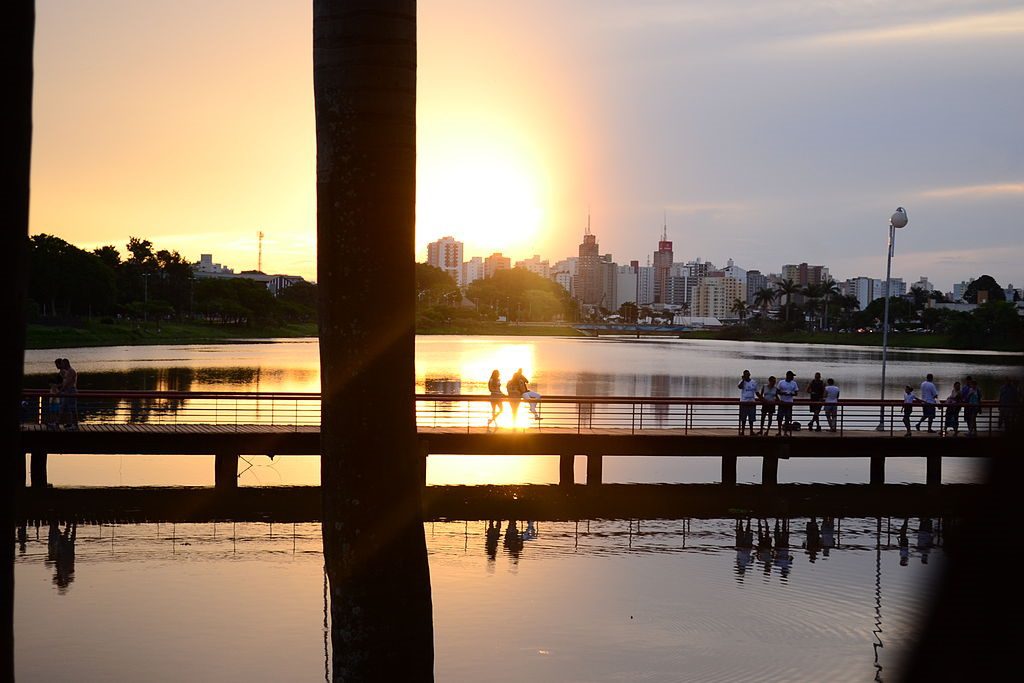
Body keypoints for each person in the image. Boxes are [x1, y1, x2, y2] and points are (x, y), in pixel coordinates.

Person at [776, 371, 799, 436]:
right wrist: (783, 393)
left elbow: (796, 393)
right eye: (792, 376)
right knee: (780, 418)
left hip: (789, 402)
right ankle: (779, 431)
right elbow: (777, 391)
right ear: (788, 376)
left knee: (787, 418)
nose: (793, 377)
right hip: (782, 402)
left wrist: (792, 394)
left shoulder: (794, 383)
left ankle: (785, 432)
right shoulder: (781, 382)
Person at [59, 357, 79, 430]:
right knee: (65, 408)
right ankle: (69, 423)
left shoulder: (71, 371)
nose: (62, 366)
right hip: (68, 391)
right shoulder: (68, 371)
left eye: (63, 364)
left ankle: (75, 425)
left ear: (66, 363)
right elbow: (65, 382)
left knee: (73, 408)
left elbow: (68, 383)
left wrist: (60, 391)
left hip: (71, 391)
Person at [737, 369, 758, 435]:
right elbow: (740, 387)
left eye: (747, 374)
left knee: (751, 418)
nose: (747, 376)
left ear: (749, 375)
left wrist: (762, 399)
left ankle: (751, 431)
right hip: (744, 402)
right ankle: (742, 431)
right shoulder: (741, 382)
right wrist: (743, 380)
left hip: (752, 402)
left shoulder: (753, 382)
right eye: (745, 375)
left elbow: (756, 392)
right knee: (743, 418)